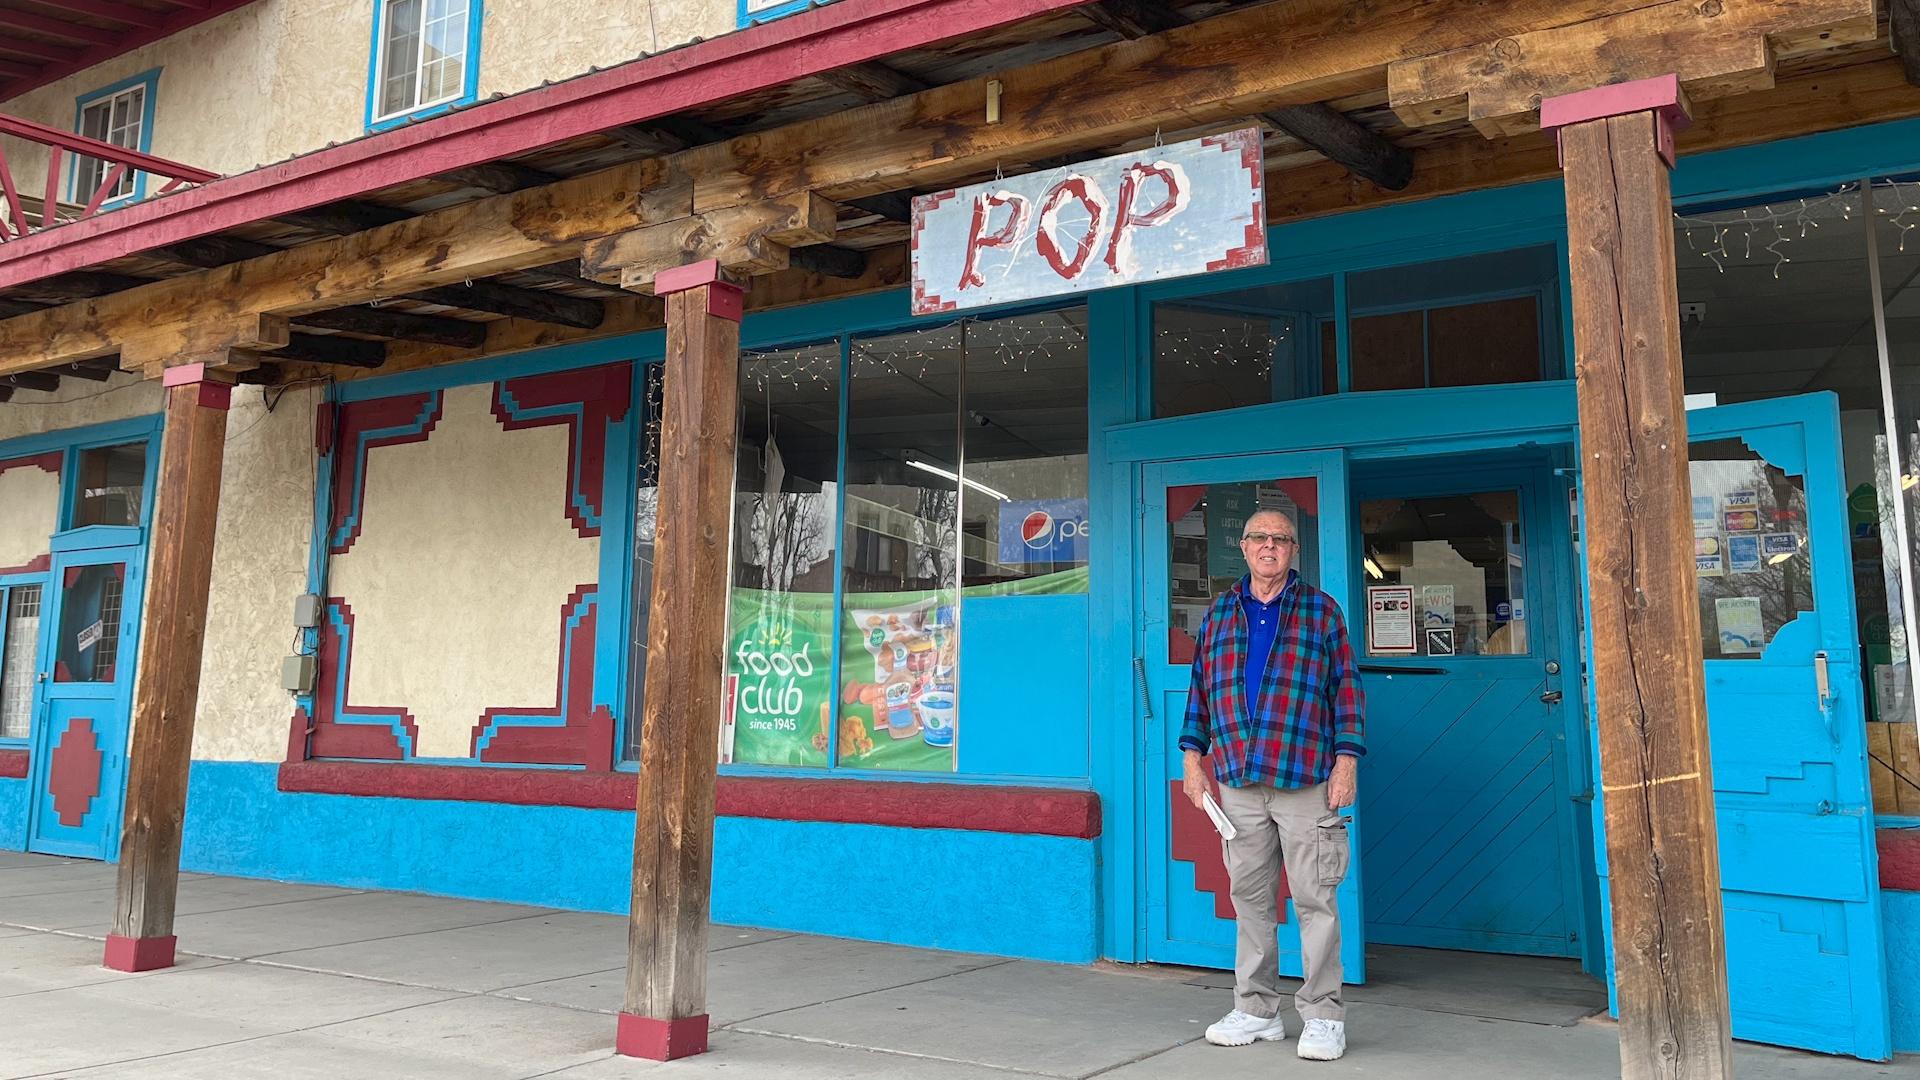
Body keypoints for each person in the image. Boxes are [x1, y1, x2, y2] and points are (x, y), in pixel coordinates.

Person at [1179, 509, 1365, 1062]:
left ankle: (1324, 1014)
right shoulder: (1218, 615)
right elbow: (1199, 694)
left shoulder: (1321, 611)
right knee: (1250, 899)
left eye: (1280, 539)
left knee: (1316, 899)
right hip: (1238, 779)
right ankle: (1257, 1010)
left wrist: (1347, 761)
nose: (1269, 547)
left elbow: (1347, 691)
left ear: (1292, 550)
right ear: (1243, 546)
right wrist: (1194, 761)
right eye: (1259, 537)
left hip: (1306, 776)